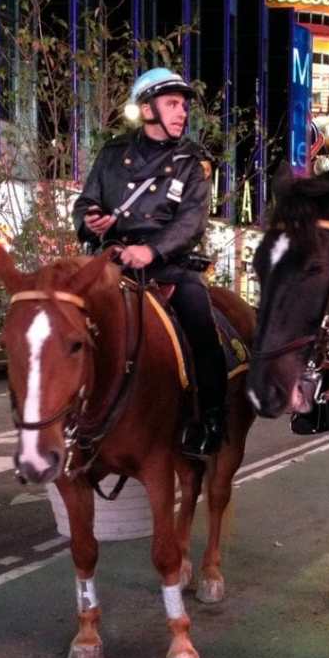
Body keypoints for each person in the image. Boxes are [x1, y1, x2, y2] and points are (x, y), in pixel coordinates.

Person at [72, 67, 223, 457]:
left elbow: (192, 221)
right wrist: (91, 221)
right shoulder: (112, 154)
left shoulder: (193, 162)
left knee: (201, 323)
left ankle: (210, 419)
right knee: (62, 317)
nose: (182, 113)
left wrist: (152, 251)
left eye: (184, 106)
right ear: (146, 108)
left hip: (169, 265)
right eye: (172, 104)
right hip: (112, 261)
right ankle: (70, 415)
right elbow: (86, 202)